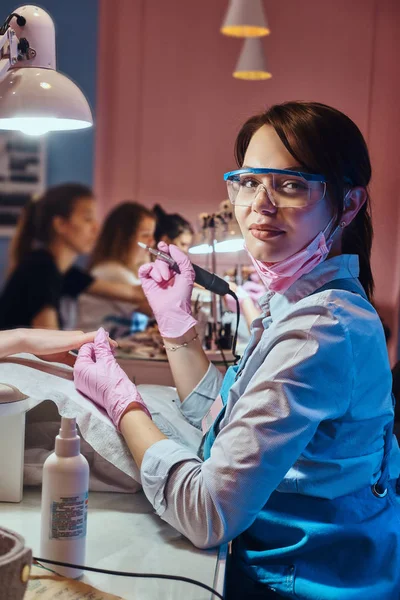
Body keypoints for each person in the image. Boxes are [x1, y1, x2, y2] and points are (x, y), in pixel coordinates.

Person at [74, 101, 400, 599]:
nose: (259, 205)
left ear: (348, 204)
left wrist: (123, 403)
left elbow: (208, 512)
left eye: (290, 185)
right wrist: (178, 326)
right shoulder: (299, 304)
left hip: (299, 584)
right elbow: (228, 423)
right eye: (248, 181)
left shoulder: (323, 327)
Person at [0, 184, 150, 330]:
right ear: (60, 225)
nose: (96, 228)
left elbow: (133, 293)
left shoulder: (65, 272)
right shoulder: (40, 268)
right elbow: (49, 340)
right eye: (88, 219)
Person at [77, 202, 155, 334]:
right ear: (124, 238)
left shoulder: (121, 271)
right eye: (145, 235)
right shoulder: (112, 272)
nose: (152, 242)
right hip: (91, 349)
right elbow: (154, 309)